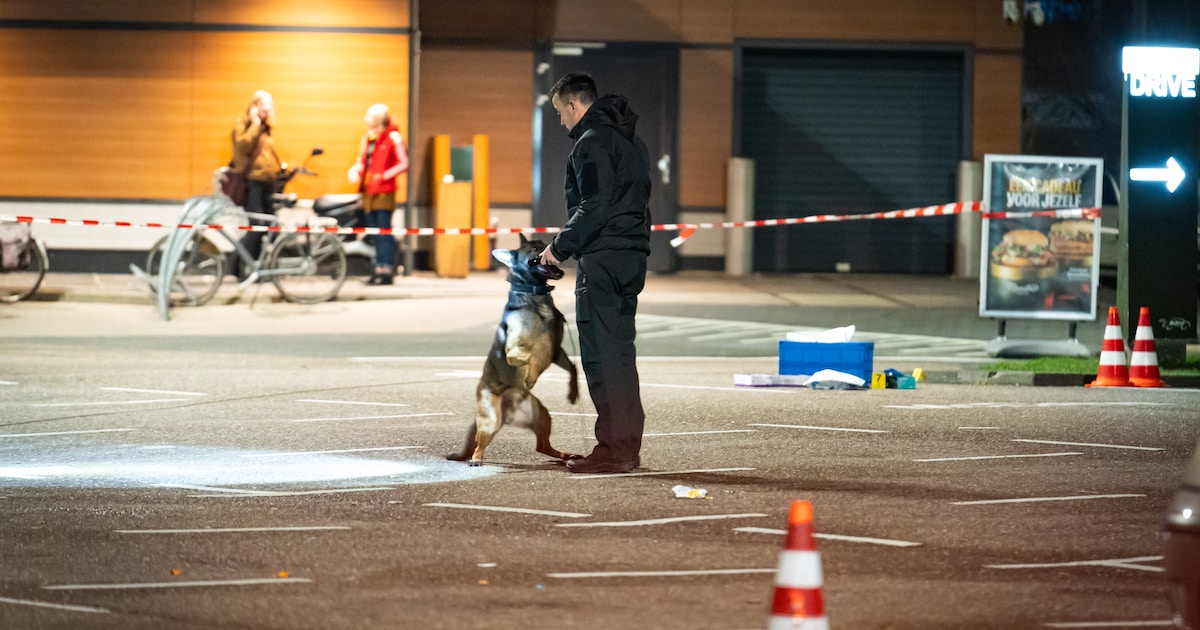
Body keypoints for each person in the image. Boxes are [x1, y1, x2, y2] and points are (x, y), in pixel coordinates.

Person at [538, 73, 652, 474]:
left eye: (559, 113)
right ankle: (625, 447)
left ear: (572, 105)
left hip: (603, 260)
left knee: (604, 357)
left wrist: (558, 249)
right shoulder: (631, 142)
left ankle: (614, 451)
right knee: (621, 353)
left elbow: (593, 208)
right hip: (631, 257)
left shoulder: (591, 143)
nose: (561, 122)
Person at [347, 103, 409, 285]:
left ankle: (386, 268)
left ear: (379, 119)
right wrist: (356, 170)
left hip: (384, 192)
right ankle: (377, 267)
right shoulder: (368, 137)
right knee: (373, 232)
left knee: (384, 231)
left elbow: (404, 162)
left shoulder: (393, 137)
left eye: (370, 117)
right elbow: (362, 160)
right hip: (369, 191)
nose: (367, 120)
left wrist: (385, 175)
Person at [230, 90, 283, 270]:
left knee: (270, 226)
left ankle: (257, 266)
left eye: (270, 104)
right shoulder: (244, 124)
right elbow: (242, 146)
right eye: (263, 104)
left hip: (268, 182)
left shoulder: (267, 128)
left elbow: (268, 154)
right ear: (254, 106)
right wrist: (254, 123)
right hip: (252, 183)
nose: (267, 108)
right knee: (256, 225)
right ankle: (237, 265)